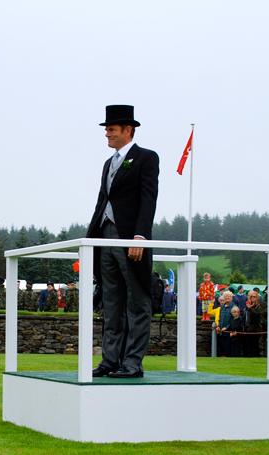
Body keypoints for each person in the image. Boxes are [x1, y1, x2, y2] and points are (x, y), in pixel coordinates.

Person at [86, 104, 159, 379]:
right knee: (111, 301)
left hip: (130, 238)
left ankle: (132, 363)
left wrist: (140, 235)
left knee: (137, 301)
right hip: (104, 237)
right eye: (106, 129)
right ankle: (110, 360)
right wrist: (90, 238)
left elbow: (148, 198)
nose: (107, 133)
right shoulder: (108, 163)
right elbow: (101, 201)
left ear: (128, 130)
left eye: (112, 129)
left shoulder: (146, 158)